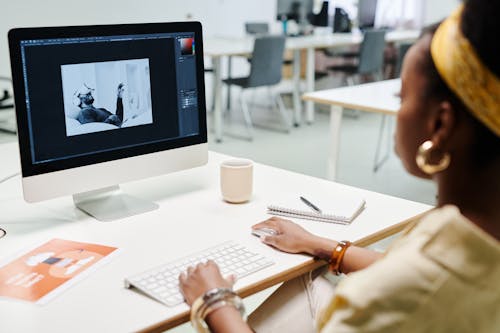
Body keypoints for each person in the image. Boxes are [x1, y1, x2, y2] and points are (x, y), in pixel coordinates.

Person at [179, 0, 500, 332]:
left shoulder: (397, 301)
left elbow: (412, 281)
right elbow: (410, 266)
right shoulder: (473, 232)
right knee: (307, 277)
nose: (398, 110)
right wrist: (320, 244)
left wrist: (215, 301)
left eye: (401, 98)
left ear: (440, 125)